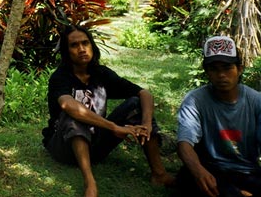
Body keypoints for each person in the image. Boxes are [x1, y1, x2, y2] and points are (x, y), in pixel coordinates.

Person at [43, 25, 174, 197]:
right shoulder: (60, 77)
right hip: (64, 147)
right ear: (67, 52)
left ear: (92, 46)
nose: (82, 49)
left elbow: (144, 94)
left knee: (136, 103)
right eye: (74, 45)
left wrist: (147, 123)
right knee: (75, 114)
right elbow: (69, 106)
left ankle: (159, 174)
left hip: (96, 145)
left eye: (85, 43)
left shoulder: (101, 74)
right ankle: (90, 184)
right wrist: (113, 127)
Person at [176, 35, 261, 197]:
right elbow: (184, 144)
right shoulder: (195, 100)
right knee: (192, 179)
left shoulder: (256, 101)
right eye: (214, 69)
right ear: (207, 71)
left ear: (239, 69)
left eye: (227, 67)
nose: (221, 74)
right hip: (211, 169)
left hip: (247, 172)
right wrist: (198, 171)